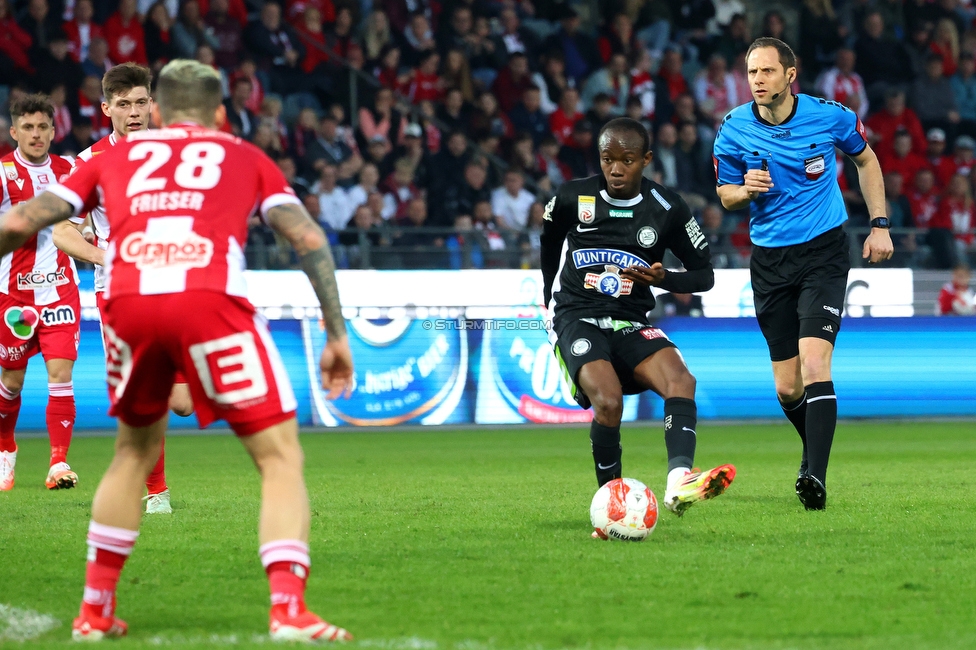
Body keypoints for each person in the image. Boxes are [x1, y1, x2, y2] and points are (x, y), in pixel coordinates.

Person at [0, 59, 355, 642]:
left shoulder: (109, 159)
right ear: (219, 113)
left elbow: (26, 220)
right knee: (280, 458)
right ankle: (289, 610)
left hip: (129, 302)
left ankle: (94, 610)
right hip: (208, 298)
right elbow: (308, 237)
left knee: (129, 453)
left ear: (157, 111)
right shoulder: (243, 154)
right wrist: (336, 334)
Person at [713, 38, 894, 510]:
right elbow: (724, 194)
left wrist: (879, 225)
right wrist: (744, 191)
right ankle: (811, 448)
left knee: (816, 365)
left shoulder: (829, 115)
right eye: (752, 72)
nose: (757, 80)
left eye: (767, 72)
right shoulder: (732, 129)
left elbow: (866, 159)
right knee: (787, 387)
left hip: (824, 252)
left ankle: (815, 476)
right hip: (769, 260)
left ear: (790, 75)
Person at [540, 116, 736, 524]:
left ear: (646, 159)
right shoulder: (573, 197)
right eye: (607, 158)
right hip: (578, 316)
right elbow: (548, 241)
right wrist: (547, 299)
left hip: (630, 320)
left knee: (682, 380)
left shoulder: (666, 207)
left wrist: (668, 278)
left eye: (626, 160)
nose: (615, 168)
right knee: (608, 402)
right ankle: (609, 507)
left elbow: (705, 275)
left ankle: (679, 482)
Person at [52, 63, 184, 515]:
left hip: (172, 283)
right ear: (107, 108)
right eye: (123, 104)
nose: (134, 112)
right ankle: (157, 492)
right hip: (120, 292)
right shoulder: (88, 163)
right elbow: (64, 233)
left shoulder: (177, 154)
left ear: (153, 104)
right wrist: (109, 257)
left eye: (141, 102)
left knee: (183, 404)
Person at [0, 94, 80, 493]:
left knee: (60, 374)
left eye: (42, 127)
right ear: (14, 132)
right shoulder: (0, 174)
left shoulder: (71, 171)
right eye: (27, 127)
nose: (36, 134)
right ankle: (5, 449)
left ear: (53, 130)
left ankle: (58, 462)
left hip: (60, 292)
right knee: (11, 381)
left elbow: (80, 225)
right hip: (11, 297)